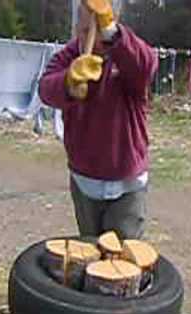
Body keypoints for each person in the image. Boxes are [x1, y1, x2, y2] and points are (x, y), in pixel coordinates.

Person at [39, 0, 158, 241]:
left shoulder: (125, 53)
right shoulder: (71, 55)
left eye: (99, 32)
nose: (93, 42)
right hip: (85, 181)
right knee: (89, 253)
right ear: (76, 30)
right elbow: (45, 89)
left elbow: (146, 66)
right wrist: (68, 83)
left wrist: (111, 33)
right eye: (84, 31)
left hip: (127, 182)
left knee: (123, 260)